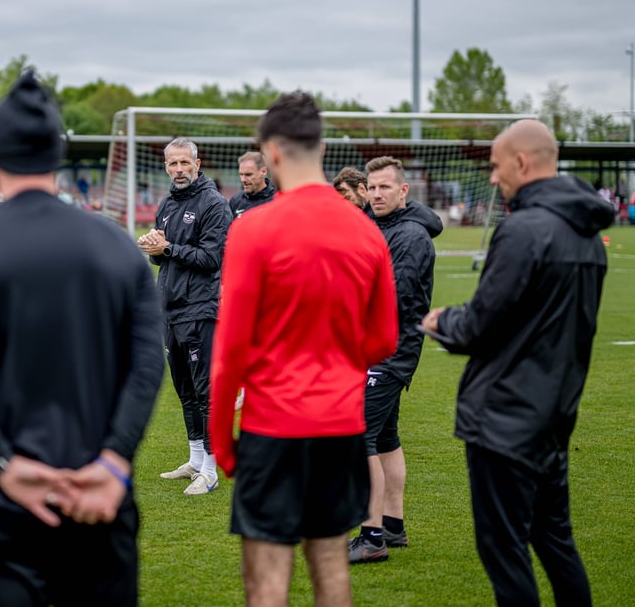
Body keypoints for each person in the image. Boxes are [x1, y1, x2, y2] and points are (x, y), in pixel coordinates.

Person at [0, 70, 163, 607]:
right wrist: (113, 463)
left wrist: (4, 464)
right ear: (58, 154)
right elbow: (147, 365)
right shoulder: (117, 246)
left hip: (2, 499)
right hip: (99, 492)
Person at [209, 92, 399, 607]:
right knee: (331, 570)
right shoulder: (367, 231)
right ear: (321, 148)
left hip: (273, 429)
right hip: (340, 428)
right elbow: (384, 339)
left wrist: (223, 444)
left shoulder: (254, 229)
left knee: (268, 584)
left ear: (271, 152)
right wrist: (334, 362)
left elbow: (229, 351)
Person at [421, 119, 611, 607]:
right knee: (555, 540)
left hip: (504, 417)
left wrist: (443, 320)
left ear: (522, 162)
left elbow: (481, 323)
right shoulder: (588, 235)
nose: (492, 177)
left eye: (496, 165)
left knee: (504, 549)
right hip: (553, 413)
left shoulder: (524, 230)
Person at [348, 156, 443, 564]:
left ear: (404, 190)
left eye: (385, 187)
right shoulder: (373, 225)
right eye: (372, 187)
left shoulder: (410, 236)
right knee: (385, 438)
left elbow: (395, 298)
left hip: (389, 350)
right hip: (370, 348)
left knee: (359, 438)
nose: (377, 194)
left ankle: (371, 538)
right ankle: (392, 526)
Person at [138, 137, 232, 496]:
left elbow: (212, 259)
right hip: (170, 308)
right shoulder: (166, 203)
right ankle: (195, 459)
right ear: (166, 167)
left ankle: (210, 469)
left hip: (201, 308)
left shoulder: (213, 203)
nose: (179, 170)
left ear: (197, 163)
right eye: (173, 164)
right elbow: (164, 257)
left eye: (184, 163)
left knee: (206, 391)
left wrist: (168, 248)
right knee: (185, 390)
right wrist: (155, 249)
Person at [228, 150, 277, 218]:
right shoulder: (236, 200)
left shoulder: (276, 200)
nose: (243, 180)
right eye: (241, 174)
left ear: (263, 171)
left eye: (248, 175)